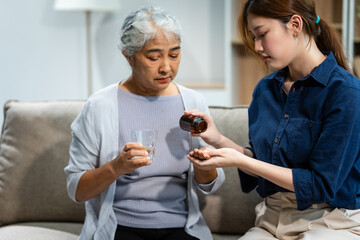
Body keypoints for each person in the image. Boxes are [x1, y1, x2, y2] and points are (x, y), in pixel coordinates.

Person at [186, 0, 360, 239]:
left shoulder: (346, 92)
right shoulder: (265, 89)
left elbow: (320, 184)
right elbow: (262, 164)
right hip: (272, 219)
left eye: (262, 34)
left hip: (331, 221)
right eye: (252, 37)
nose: (257, 47)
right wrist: (217, 140)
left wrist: (242, 161)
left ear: (295, 25)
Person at [64, 6, 225, 240]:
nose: (166, 68)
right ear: (129, 56)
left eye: (174, 55)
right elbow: (76, 189)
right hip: (120, 227)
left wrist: (205, 166)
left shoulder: (192, 101)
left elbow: (210, 185)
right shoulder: (99, 106)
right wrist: (116, 167)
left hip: (179, 227)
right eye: (153, 57)